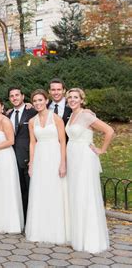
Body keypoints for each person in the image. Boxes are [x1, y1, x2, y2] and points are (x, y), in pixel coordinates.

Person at [66, 88, 114, 253]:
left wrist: (102, 149)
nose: (72, 100)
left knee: (86, 194)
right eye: (70, 97)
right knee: (76, 194)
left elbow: (109, 131)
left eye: (75, 97)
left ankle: (91, 238)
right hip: (72, 156)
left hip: (84, 158)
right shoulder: (71, 115)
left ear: (81, 99)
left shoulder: (86, 115)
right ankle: (78, 235)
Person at [25, 90, 69, 245]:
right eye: (35, 101)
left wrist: (63, 163)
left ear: (46, 100)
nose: (37, 103)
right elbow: (32, 143)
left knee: (54, 190)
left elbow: (63, 141)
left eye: (40, 100)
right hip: (40, 158)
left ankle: (56, 230)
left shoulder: (56, 118)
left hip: (54, 156)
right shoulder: (32, 121)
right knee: (40, 191)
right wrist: (31, 163)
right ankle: (40, 229)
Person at [0, 97, 24, 233]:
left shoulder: (5, 120)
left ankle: (9, 224)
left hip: (4, 157)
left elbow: (11, 140)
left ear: (2, 107)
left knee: (6, 188)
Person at [7, 87, 37, 222]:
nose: (14, 98)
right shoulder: (8, 114)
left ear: (23, 96)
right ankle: (23, 220)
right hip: (11, 157)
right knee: (19, 190)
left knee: (31, 190)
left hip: (28, 156)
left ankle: (33, 220)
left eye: (17, 95)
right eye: (12, 96)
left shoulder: (33, 112)